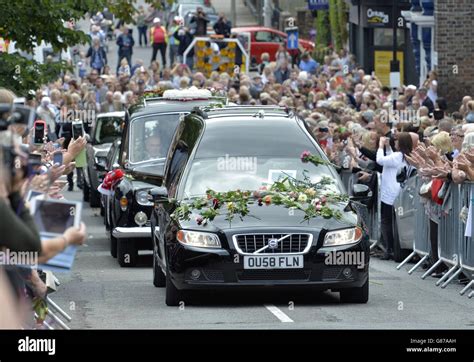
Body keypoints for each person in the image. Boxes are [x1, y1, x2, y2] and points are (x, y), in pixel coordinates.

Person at [376, 132, 413, 260]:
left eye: (397, 141)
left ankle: (389, 248)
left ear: (401, 143)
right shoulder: (404, 155)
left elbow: (380, 160)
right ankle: (393, 249)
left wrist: (381, 146)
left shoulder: (398, 156)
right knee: (395, 222)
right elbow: (391, 161)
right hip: (397, 192)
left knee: (386, 221)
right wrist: (388, 148)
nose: (395, 142)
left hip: (390, 193)